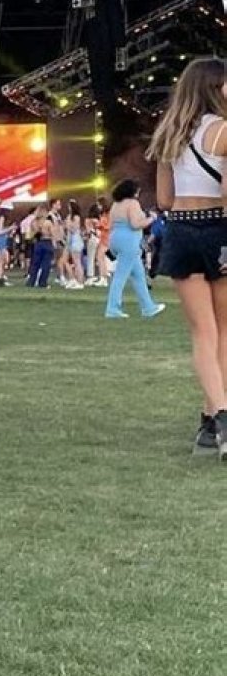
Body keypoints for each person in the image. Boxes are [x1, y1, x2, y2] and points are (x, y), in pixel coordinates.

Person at [146, 56, 227, 457]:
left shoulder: (169, 133)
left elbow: (164, 199)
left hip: (181, 228)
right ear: (215, 87)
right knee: (224, 331)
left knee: (202, 332)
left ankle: (211, 422)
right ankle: (222, 418)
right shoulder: (224, 130)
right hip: (219, 227)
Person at [104, 179, 166, 320]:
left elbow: (111, 224)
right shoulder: (133, 203)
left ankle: (148, 307)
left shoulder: (115, 204)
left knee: (138, 276)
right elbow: (135, 224)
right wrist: (151, 219)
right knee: (120, 276)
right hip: (129, 241)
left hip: (116, 238)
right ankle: (112, 308)